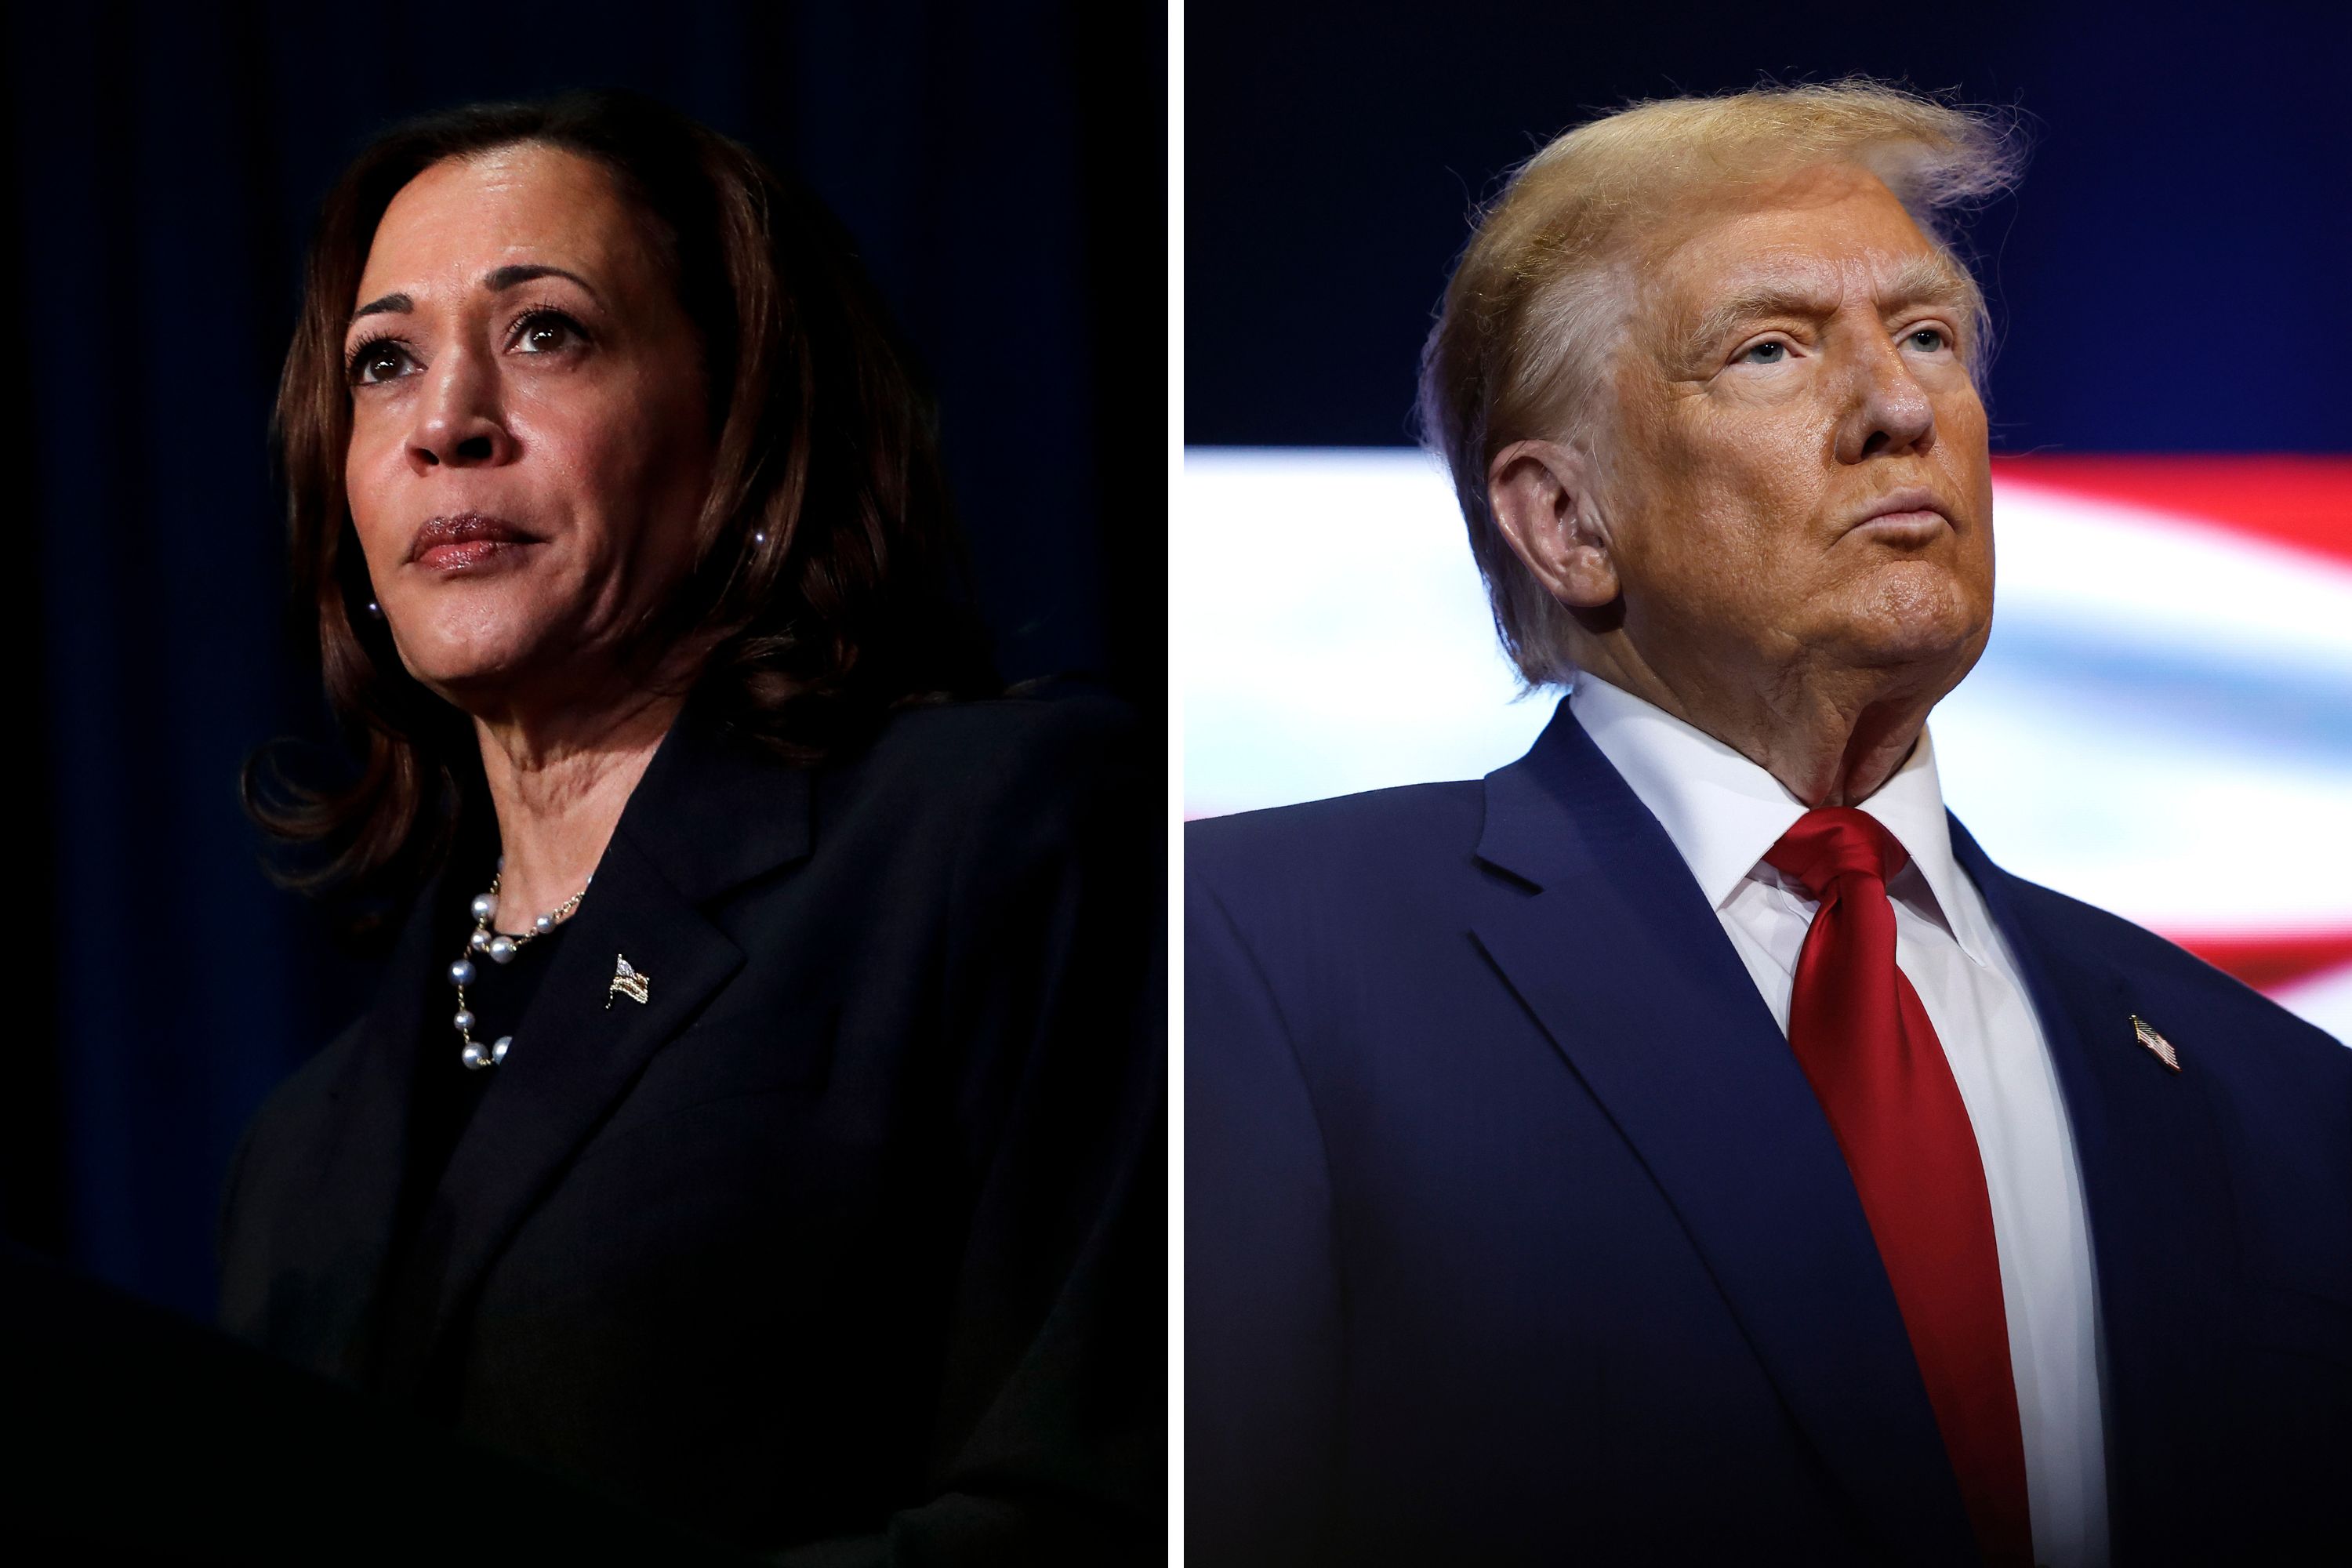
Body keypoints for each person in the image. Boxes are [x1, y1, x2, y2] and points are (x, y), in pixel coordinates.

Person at [1185, 82, 2350, 1567]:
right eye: (1771, 350)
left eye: (1928, 336)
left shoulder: (2275, 1092)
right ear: (1567, 523)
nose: (1898, 406)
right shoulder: (1259, 959)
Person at [219, 90, 1161, 1563]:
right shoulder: (302, 1151)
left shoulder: (999, 838)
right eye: (383, 364)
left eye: (546, 334)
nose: (447, 425)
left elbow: (1092, 1508)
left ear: (742, 427)